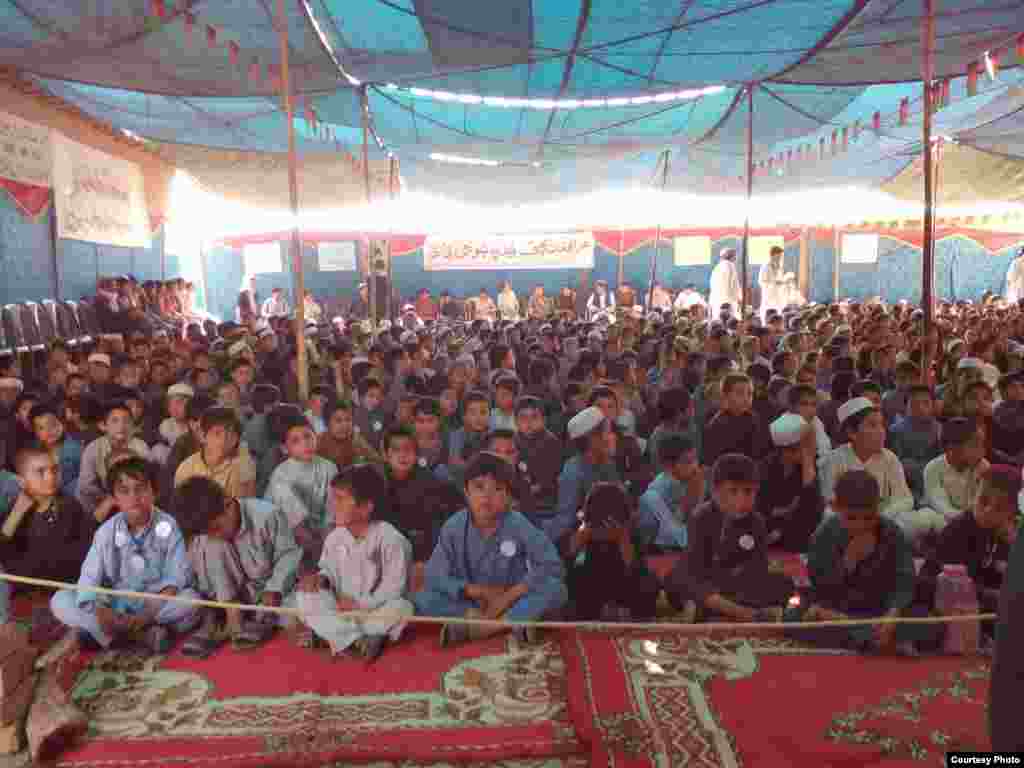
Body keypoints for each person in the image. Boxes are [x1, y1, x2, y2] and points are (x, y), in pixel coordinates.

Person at [413, 452, 567, 647]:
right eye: (479, 487)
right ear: (466, 492)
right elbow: (435, 574)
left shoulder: (517, 523)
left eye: (497, 489)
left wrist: (511, 594)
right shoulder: (454, 526)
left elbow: (552, 565)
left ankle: (486, 628)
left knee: (556, 589)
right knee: (425, 596)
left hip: (512, 602)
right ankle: (486, 620)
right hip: (473, 603)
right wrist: (474, 591)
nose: (487, 496)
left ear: (509, 497)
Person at [51, 458, 200, 653]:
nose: (134, 496)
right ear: (114, 498)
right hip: (115, 609)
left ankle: (117, 636)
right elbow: (88, 579)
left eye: (141, 488)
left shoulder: (169, 525)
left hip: (155, 605)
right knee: (60, 600)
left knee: (192, 600)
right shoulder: (106, 532)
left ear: (154, 492)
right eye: (124, 491)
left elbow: (177, 578)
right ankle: (137, 637)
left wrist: (147, 614)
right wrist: (102, 613)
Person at [786, 470, 942, 654]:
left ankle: (867, 636)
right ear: (835, 507)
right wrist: (847, 562)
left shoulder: (891, 532)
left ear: (878, 508)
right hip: (837, 606)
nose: (860, 525)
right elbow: (821, 585)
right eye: (851, 518)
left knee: (932, 624)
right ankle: (876, 639)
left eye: (868, 518)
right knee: (794, 616)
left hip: (878, 609)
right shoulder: (825, 534)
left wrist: (892, 615)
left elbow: (904, 580)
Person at [295, 465, 414, 659]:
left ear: (366, 507)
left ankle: (333, 637)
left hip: (372, 611)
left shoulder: (390, 538)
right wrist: (321, 580)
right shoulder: (335, 537)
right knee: (304, 597)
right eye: (333, 499)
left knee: (401, 608)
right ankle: (356, 639)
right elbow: (328, 572)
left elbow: (394, 589)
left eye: (340, 499)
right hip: (340, 609)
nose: (333, 505)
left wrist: (360, 604)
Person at [174, 476, 301, 656]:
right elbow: (200, 579)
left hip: (263, 595)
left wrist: (274, 589)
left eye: (217, 528)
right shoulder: (207, 537)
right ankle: (226, 619)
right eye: (208, 532)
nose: (215, 535)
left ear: (228, 503)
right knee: (212, 546)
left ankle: (257, 619)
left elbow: (289, 555)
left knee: (301, 611)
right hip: (225, 601)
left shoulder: (267, 515)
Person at [664, 453, 794, 622]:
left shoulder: (756, 522)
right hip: (706, 581)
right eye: (733, 491)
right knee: (678, 579)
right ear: (715, 492)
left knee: (783, 584)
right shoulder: (701, 517)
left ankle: (712, 611)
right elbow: (696, 567)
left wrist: (741, 575)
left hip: (736, 586)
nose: (741, 499)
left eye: (748, 492)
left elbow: (758, 568)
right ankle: (745, 613)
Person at [563, 482, 660, 621]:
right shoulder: (582, 528)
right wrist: (578, 542)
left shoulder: (631, 532)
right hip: (592, 582)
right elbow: (564, 568)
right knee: (565, 584)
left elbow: (637, 570)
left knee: (649, 583)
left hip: (624, 581)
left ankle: (625, 614)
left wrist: (623, 540)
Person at [0, 446, 94, 586]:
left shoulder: (70, 505)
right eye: (40, 472)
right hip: (27, 588)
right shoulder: (13, 510)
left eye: (54, 470)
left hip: (66, 583)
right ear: (21, 481)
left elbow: (84, 549)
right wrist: (17, 512)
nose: (50, 477)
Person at [265, 416, 339, 565]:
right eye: (295, 441)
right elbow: (294, 523)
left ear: (315, 437)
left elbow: (332, 510)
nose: (305, 443)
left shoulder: (328, 467)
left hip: (320, 530)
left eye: (308, 436)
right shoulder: (281, 474)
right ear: (285, 448)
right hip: (290, 532)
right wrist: (314, 546)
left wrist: (327, 538)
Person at [756, 413, 824, 552]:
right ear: (787, 451)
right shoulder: (764, 468)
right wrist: (786, 510)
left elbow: (812, 508)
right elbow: (760, 508)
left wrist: (807, 466)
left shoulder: (807, 465)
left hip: (793, 531)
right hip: (767, 529)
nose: (811, 448)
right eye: (805, 446)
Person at [554, 407, 619, 544]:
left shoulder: (608, 463)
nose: (612, 437)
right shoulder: (573, 471)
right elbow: (566, 522)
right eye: (607, 432)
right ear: (593, 439)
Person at [636, 433, 702, 553]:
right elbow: (678, 537)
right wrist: (691, 498)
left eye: (695, 459)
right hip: (657, 552)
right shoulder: (663, 489)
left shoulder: (683, 481)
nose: (694, 466)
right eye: (688, 462)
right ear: (668, 465)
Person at [922, 417, 989, 533]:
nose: (983, 451)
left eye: (982, 445)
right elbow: (942, 507)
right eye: (975, 445)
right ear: (952, 448)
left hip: (975, 521)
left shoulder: (983, 466)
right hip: (943, 522)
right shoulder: (933, 468)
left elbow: (981, 504)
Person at [174, 407, 258, 499]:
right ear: (203, 436)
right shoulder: (187, 468)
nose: (224, 440)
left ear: (237, 438)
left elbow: (245, 506)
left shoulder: (243, 465)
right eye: (217, 433)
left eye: (230, 434)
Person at [758, 246, 793, 321]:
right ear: (773, 255)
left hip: (778, 293)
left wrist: (785, 281)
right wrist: (774, 283)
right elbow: (761, 281)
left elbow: (780, 279)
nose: (780, 257)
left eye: (781, 256)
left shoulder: (779, 266)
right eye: (779, 255)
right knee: (769, 312)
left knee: (779, 311)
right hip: (769, 293)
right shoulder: (765, 266)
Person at [708, 248, 741, 318]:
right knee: (730, 319)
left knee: (718, 318)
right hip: (729, 299)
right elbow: (734, 284)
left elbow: (712, 284)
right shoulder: (730, 266)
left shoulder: (717, 267)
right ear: (732, 256)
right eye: (735, 256)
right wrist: (739, 297)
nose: (736, 258)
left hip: (717, 299)